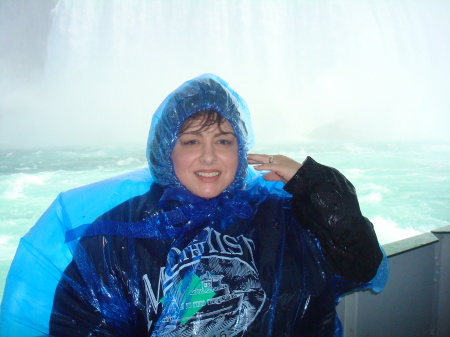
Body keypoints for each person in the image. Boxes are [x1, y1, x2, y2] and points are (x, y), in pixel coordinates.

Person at [1, 74, 388, 337]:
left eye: (223, 141)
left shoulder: (285, 215)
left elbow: (360, 263)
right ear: (165, 149)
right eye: (190, 142)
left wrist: (313, 183)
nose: (208, 158)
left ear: (242, 148)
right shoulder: (118, 235)